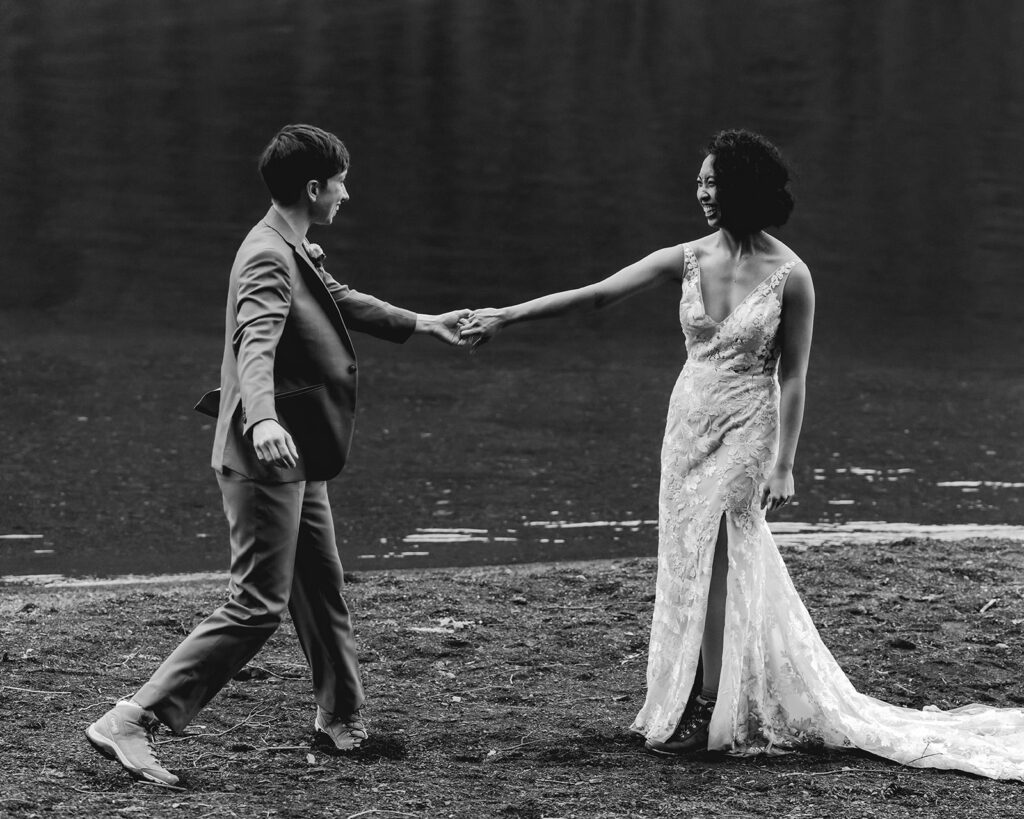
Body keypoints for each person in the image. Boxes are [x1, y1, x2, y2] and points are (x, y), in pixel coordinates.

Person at [459, 129, 1024, 779]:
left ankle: (707, 705)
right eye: (699, 181)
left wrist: (785, 460)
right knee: (688, 558)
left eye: (713, 182)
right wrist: (505, 315)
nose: (701, 192)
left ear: (744, 190)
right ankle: (690, 695)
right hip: (688, 424)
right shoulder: (687, 257)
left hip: (747, 429)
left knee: (727, 553)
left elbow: (793, 376)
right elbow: (596, 295)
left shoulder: (793, 275)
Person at [86, 124, 472, 786]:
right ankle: (132, 718)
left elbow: (334, 298)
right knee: (257, 602)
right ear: (314, 188)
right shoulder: (267, 255)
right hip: (266, 453)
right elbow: (255, 340)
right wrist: (262, 417)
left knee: (321, 588)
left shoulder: (288, 245)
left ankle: (342, 722)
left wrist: (422, 323)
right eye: (342, 182)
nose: (348, 194)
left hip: (298, 452)